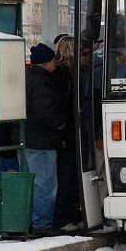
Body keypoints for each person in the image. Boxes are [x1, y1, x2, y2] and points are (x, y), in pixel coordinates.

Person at [25, 42, 66, 236]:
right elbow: (45, 110)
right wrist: (60, 124)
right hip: (43, 140)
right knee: (46, 184)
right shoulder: (42, 81)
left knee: (35, 183)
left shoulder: (29, 77)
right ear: (45, 63)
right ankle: (42, 224)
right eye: (52, 61)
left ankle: (35, 221)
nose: (55, 65)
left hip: (30, 138)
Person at [52, 35, 81, 229]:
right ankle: (66, 216)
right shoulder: (65, 75)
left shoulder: (60, 73)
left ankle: (69, 214)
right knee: (66, 176)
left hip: (66, 132)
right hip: (66, 133)